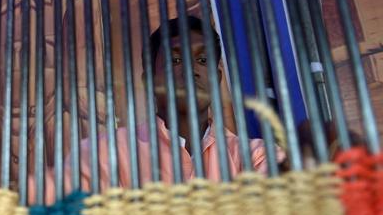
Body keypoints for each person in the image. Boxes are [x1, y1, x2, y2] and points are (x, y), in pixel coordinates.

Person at [30, 16, 285, 203]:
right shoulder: (100, 155)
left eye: (202, 60)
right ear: (149, 81)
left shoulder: (258, 158)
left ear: (217, 77)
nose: (190, 69)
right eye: (175, 60)